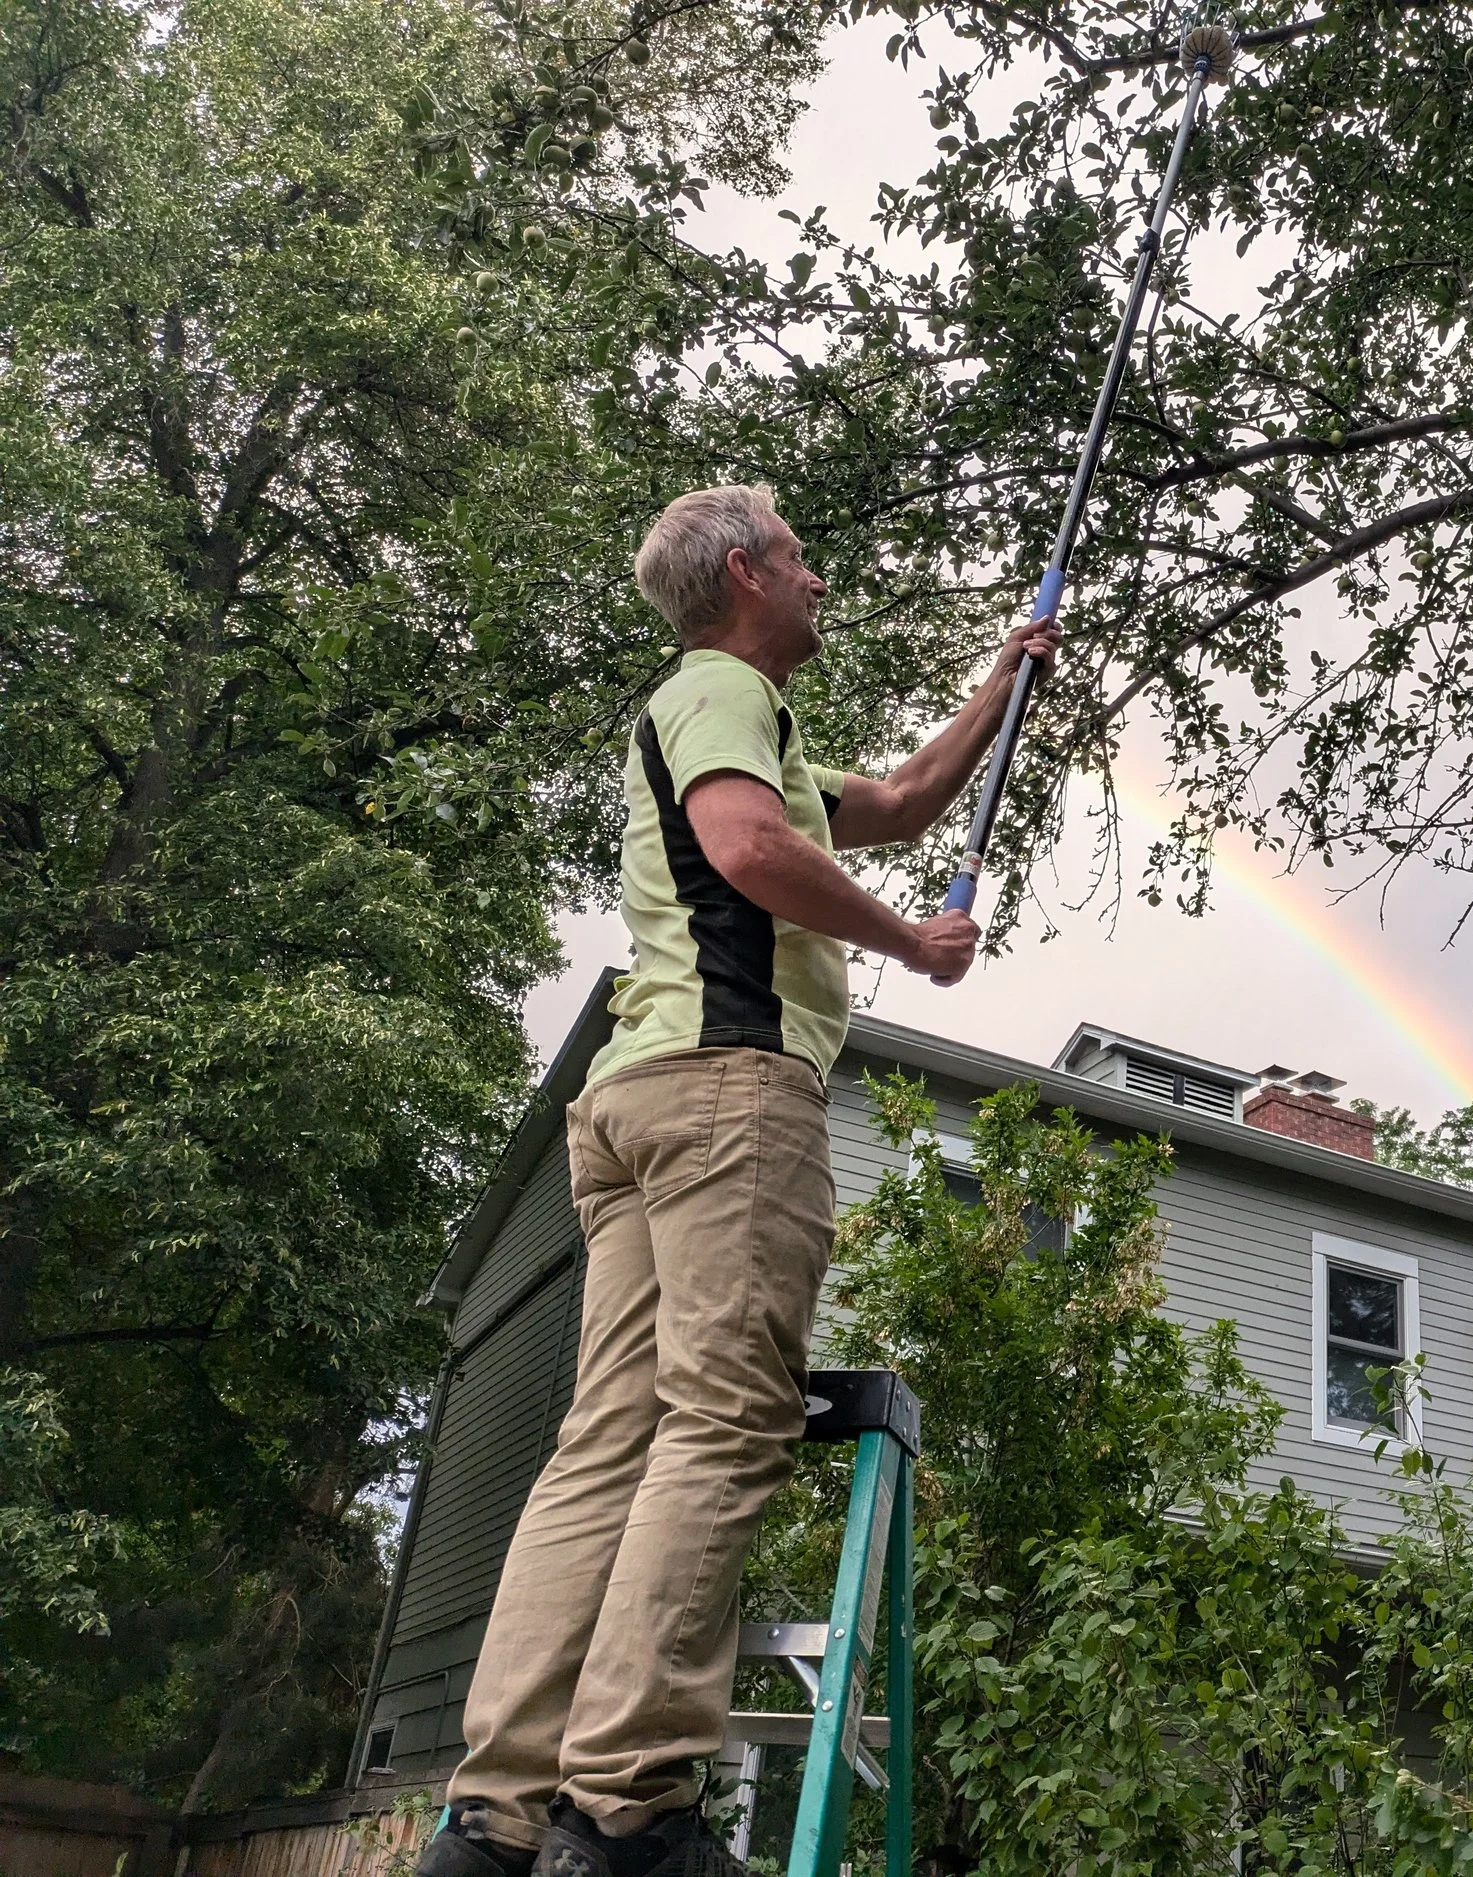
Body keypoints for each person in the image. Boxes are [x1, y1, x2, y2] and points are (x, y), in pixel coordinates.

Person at [417, 484, 1060, 1877]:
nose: (823, 582)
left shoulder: (738, 723)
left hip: (636, 1105)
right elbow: (754, 853)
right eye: (805, 561)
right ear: (749, 574)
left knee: (608, 1443)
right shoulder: (715, 691)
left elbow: (887, 805)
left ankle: (498, 1819)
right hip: (727, 1094)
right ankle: (632, 1808)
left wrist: (1000, 686)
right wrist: (913, 944)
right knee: (725, 1422)